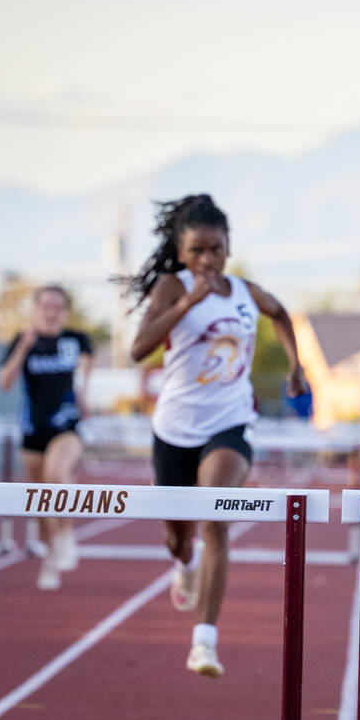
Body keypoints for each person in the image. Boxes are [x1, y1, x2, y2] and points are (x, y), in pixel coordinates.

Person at [124, 194, 308, 678]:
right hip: (174, 430)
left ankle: (204, 641)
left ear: (229, 247)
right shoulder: (173, 287)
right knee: (178, 539)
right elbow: (138, 349)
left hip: (230, 423)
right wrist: (188, 303)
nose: (208, 260)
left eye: (217, 249)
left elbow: (282, 313)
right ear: (182, 253)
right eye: (198, 251)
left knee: (215, 514)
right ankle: (184, 564)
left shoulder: (246, 292)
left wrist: (295, 367)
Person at [0, 284, 93, 591]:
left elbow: (86, 371)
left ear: (65, 311)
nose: (51, 312)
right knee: (41, 501)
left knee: (57, 474)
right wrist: (23, 347)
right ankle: (51, 555)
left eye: (58, 306)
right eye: (46, 306)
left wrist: (83, 393)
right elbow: (4, 383)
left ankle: (66, 536)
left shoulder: (76, 340)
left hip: (67, 426)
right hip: (32, 429)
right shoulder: (23, 340)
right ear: (36, 309)